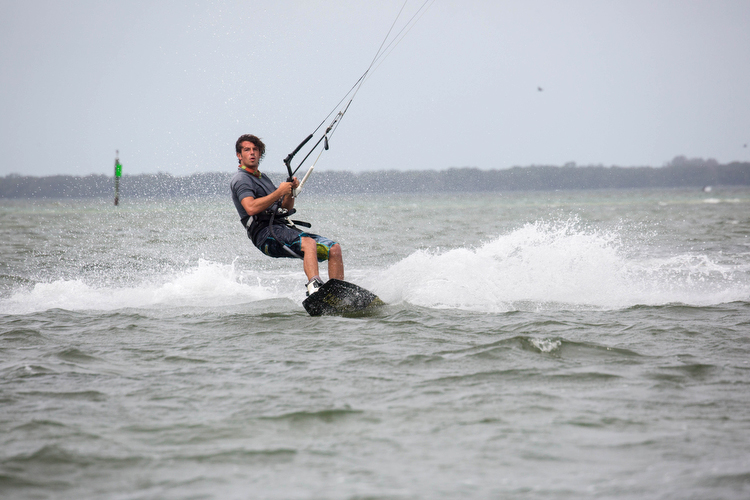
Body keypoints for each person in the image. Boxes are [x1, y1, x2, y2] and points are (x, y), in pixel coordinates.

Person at [230, 134, 344, 296]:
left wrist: (289, 192)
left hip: (282, 228)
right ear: (239, 155)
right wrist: (279, 192)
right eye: (247, 150)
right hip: (264, 234)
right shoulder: (241, 179)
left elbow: (285, 207)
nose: (252, 153)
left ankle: (339, 293)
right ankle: (314, 288)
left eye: (255, 149)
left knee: (334, 248)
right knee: (309, 244)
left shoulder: (262, 178)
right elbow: (250, 208)